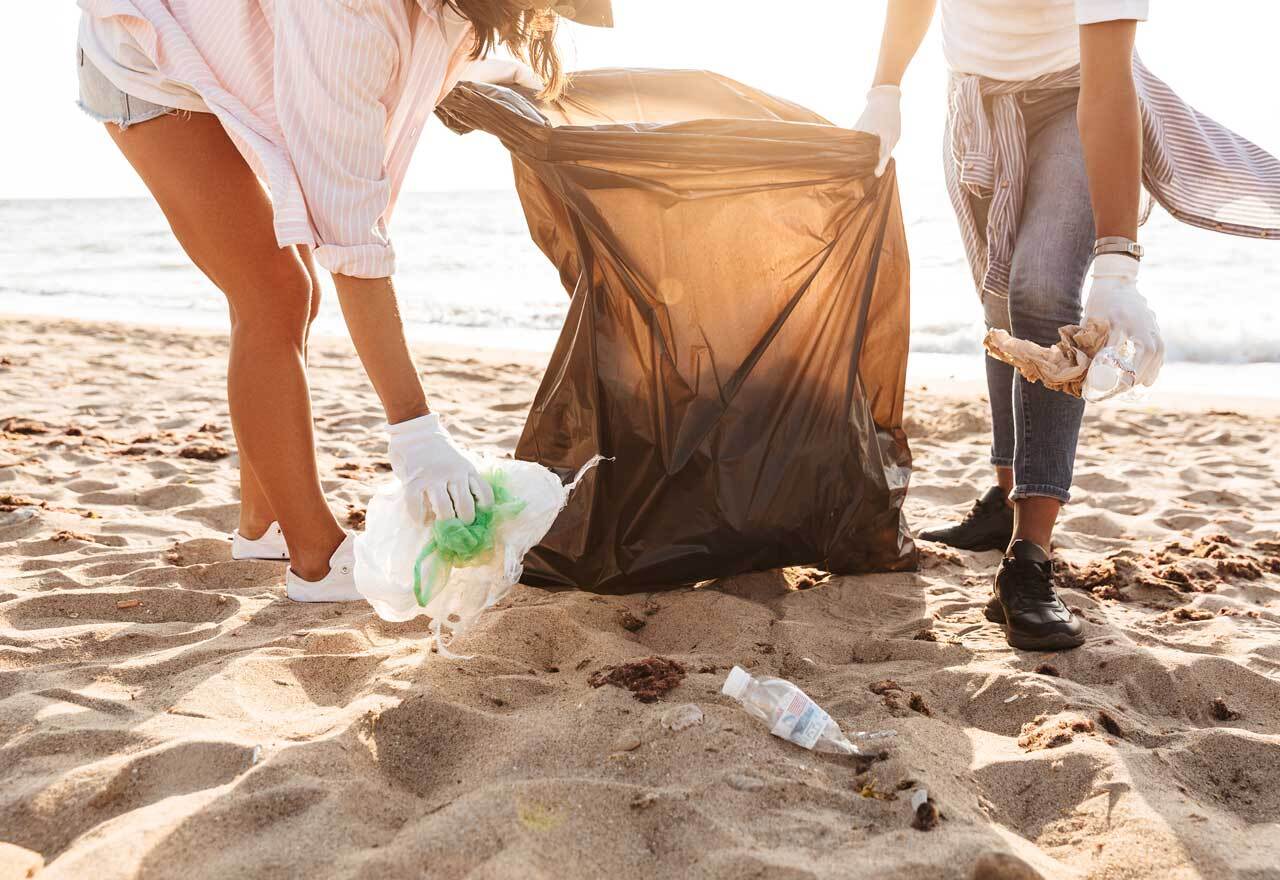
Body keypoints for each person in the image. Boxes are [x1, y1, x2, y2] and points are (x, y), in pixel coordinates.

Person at [75, 0, 612, 601]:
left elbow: (395, 72)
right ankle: (315, 559)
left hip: (236, 48)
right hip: (145, 48)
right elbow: (351, 236)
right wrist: (415, 432)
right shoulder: (345, 12)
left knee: (286, 295)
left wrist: (474, 74)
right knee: (276, 294)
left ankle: (263, 524)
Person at [854, 1, 1280, 650]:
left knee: (1042, 293)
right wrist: (885, 88)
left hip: (1076, 93)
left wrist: (1117, 261)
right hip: (974, 102)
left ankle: (1029, 558)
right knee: (999, 305)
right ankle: (1004, 502)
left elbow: (1109, 83)